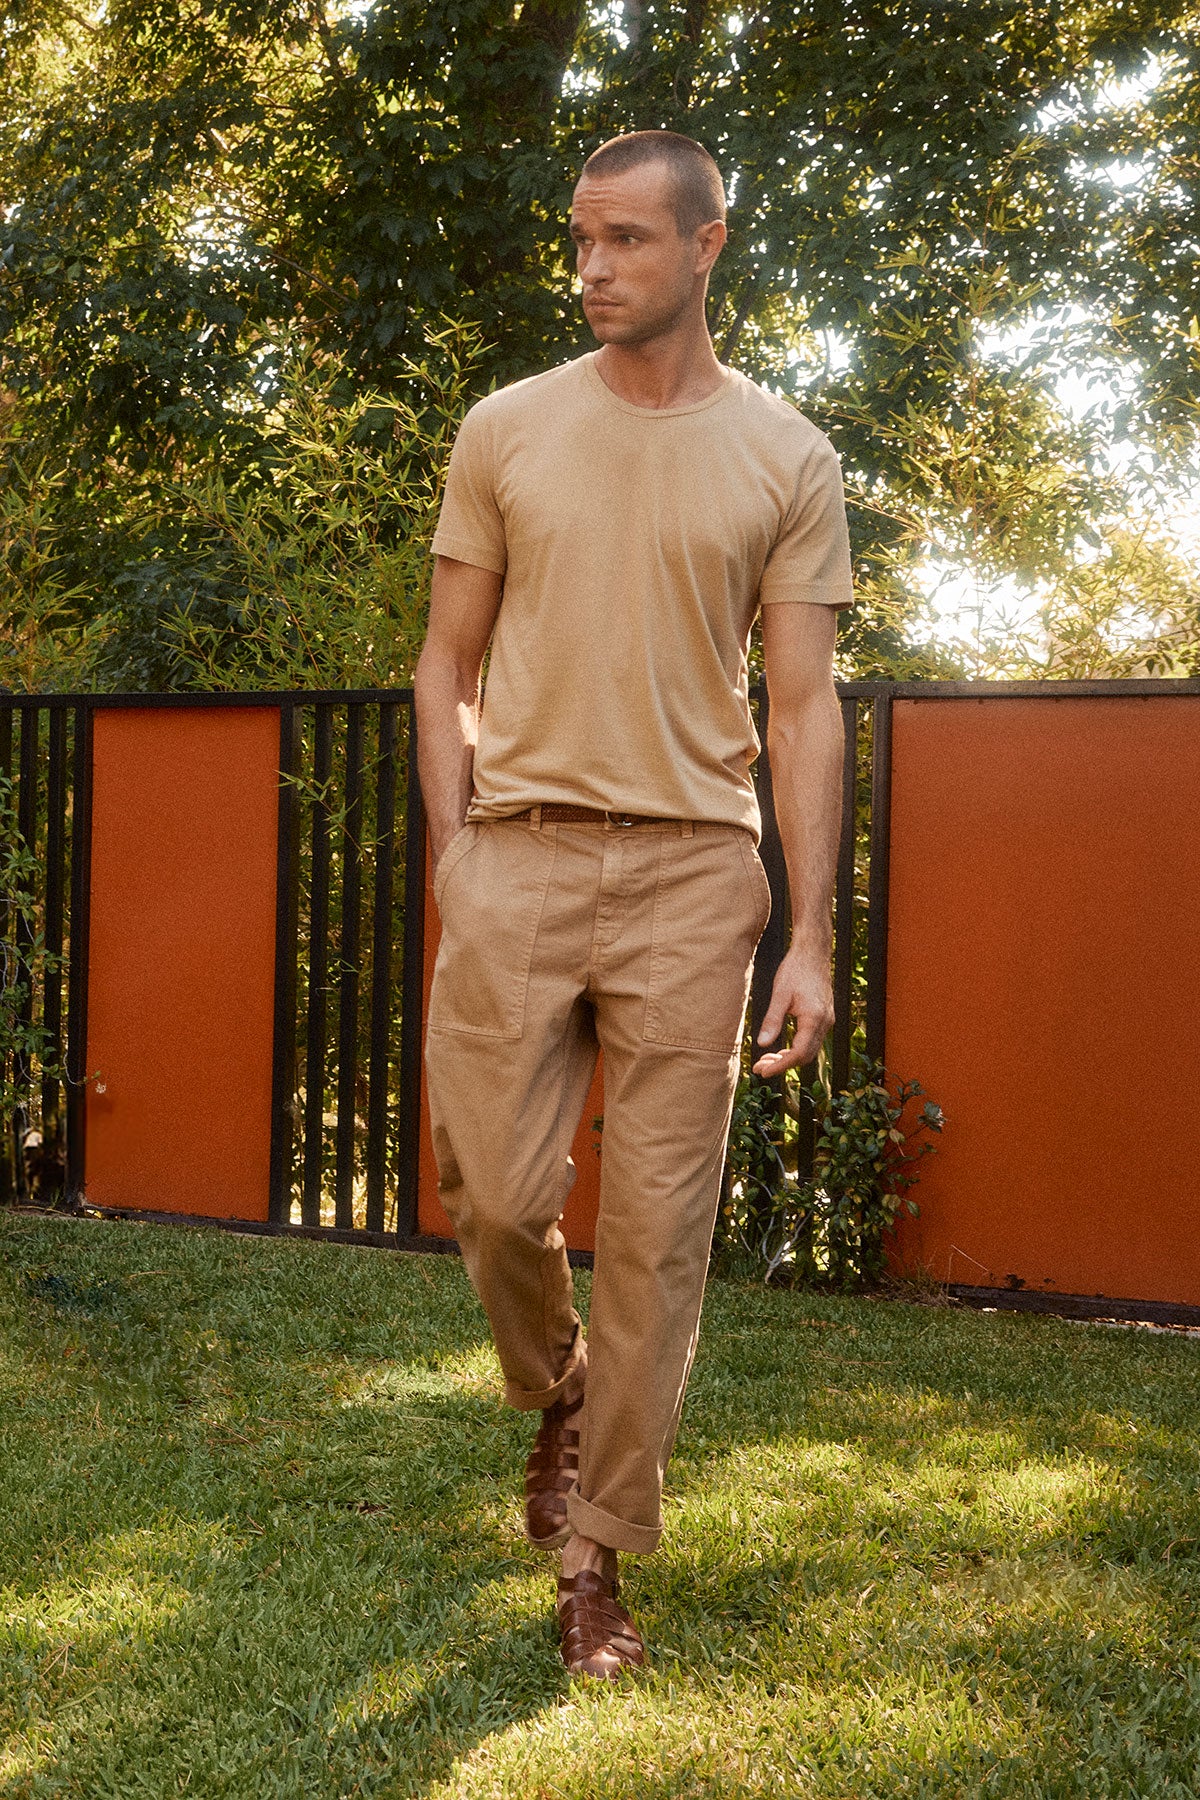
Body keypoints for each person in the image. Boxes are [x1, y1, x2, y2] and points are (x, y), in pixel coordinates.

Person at [413, 129, 853, 1679]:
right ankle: (557, 1385)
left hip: (691, 876)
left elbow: (802, 707)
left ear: (708, 243)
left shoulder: (788, 455)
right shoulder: (508, 429)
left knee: (661, 1240)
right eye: (581, 242)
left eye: (625, 242)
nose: (593, 268)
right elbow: (441, 665)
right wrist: (459, 850)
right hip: (520, 851)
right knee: (482, 1183)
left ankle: (596, 1555)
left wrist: (806, 934)